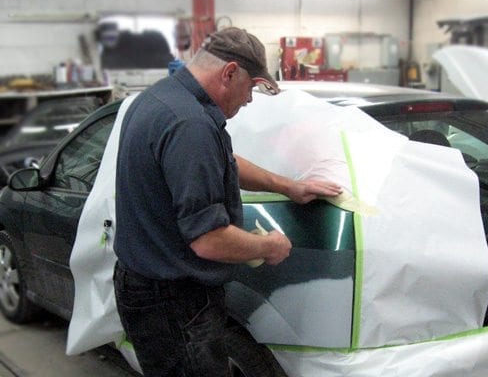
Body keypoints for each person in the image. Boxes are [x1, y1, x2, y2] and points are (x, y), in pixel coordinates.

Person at [112, 27, 342, 377]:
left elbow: (221, 160)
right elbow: (208, 239)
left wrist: (289, 186)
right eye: (250, 87)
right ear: (230, 73)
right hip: (174, 302)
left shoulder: (162, 99)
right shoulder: (190, 125)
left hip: (149, 288)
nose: (249, 99)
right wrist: (268, 246)